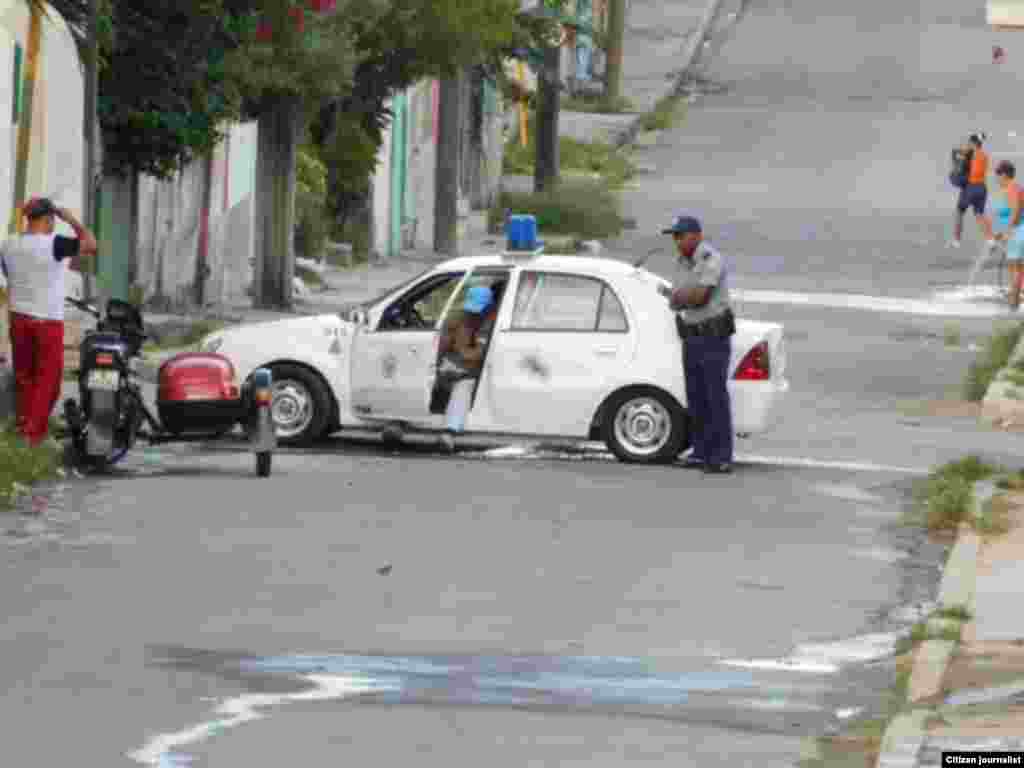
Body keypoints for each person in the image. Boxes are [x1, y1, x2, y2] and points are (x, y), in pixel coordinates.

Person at [0, 197, 97, 445]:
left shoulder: (9, 244)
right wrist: (72, 219)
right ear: (48, 219)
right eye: (54, 219)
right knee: (49, 381)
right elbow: (90, 245)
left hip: (18, 319)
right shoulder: (55, 243)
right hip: (46, 322)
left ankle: (27, 426)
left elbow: (8, 274)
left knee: (25, 377)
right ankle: (32, 436)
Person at [662, 214, 735, 474]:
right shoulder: (682, 262)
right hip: (691, 335)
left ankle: (722, 455)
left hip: (713, 335)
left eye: (680, 236)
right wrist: (682, 297)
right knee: (696, 397)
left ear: (696, 235)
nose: (677, 241)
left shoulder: (710, 258)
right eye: (674, 236)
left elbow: (700, 296)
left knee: (715, 396)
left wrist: (682, 297)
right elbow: (675, 300)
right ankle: (701, 451)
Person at [436, 285, 495, 453]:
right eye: (471, 310)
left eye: (478, 310)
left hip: (471, 373)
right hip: (450, 368)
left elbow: (478, 354)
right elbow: (444, 346)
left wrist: (460, 359)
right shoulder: (458, 319)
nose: (473, 314)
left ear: (489, 307)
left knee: (463, 385)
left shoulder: (491, 323)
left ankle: (449, 432)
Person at [989, 160, 1024, 310]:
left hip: (1017, 233)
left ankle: (1013, 306)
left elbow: (1015, 212)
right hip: (1017, 232)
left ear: (1004, 175)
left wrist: (1007, 233)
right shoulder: (1017, 188)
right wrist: (998, 237)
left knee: (1014, 269)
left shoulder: (1011, 189)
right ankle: (1015, 301)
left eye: (997, 175)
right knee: (1019, 269)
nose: (996, 179)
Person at [951, 133, 993, 249]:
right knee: (979, 215)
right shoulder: (984, 155)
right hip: (982, 188)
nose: (967, 144)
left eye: (969, 143)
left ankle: (956, 240)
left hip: (971, 187)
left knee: (959, 211)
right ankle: (990, 239)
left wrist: (957, 175)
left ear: (973, 144)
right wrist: (980, 137)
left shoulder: (970, 154)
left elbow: (959, 159)